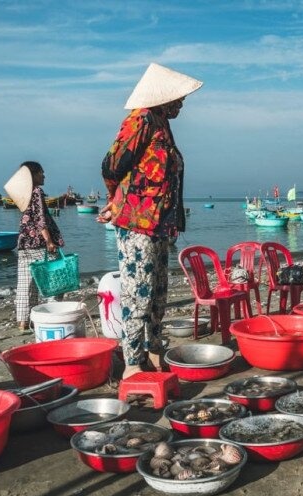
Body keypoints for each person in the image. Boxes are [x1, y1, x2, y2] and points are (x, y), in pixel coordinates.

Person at [99, 63, 202, 380]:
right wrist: (116, 200)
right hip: (137, 224)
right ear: (164, 97)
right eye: (179, 98)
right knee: (137, 294)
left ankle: (154, 353)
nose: (182, 103)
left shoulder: (161, 124)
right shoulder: (141, 119)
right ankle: (132, 363)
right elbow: (112, 165)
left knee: (158, 293)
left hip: (160, 224)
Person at [5, 161, 65, 332]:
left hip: (24, 244)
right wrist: (49, 241)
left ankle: (24, 322)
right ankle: (52, 316)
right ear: (34, 175)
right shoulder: (37, 191)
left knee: (25, 285)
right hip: (40, 243)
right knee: (55, 280)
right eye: (41, 173)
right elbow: (40, 219)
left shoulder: (23, 194)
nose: (44, 176)